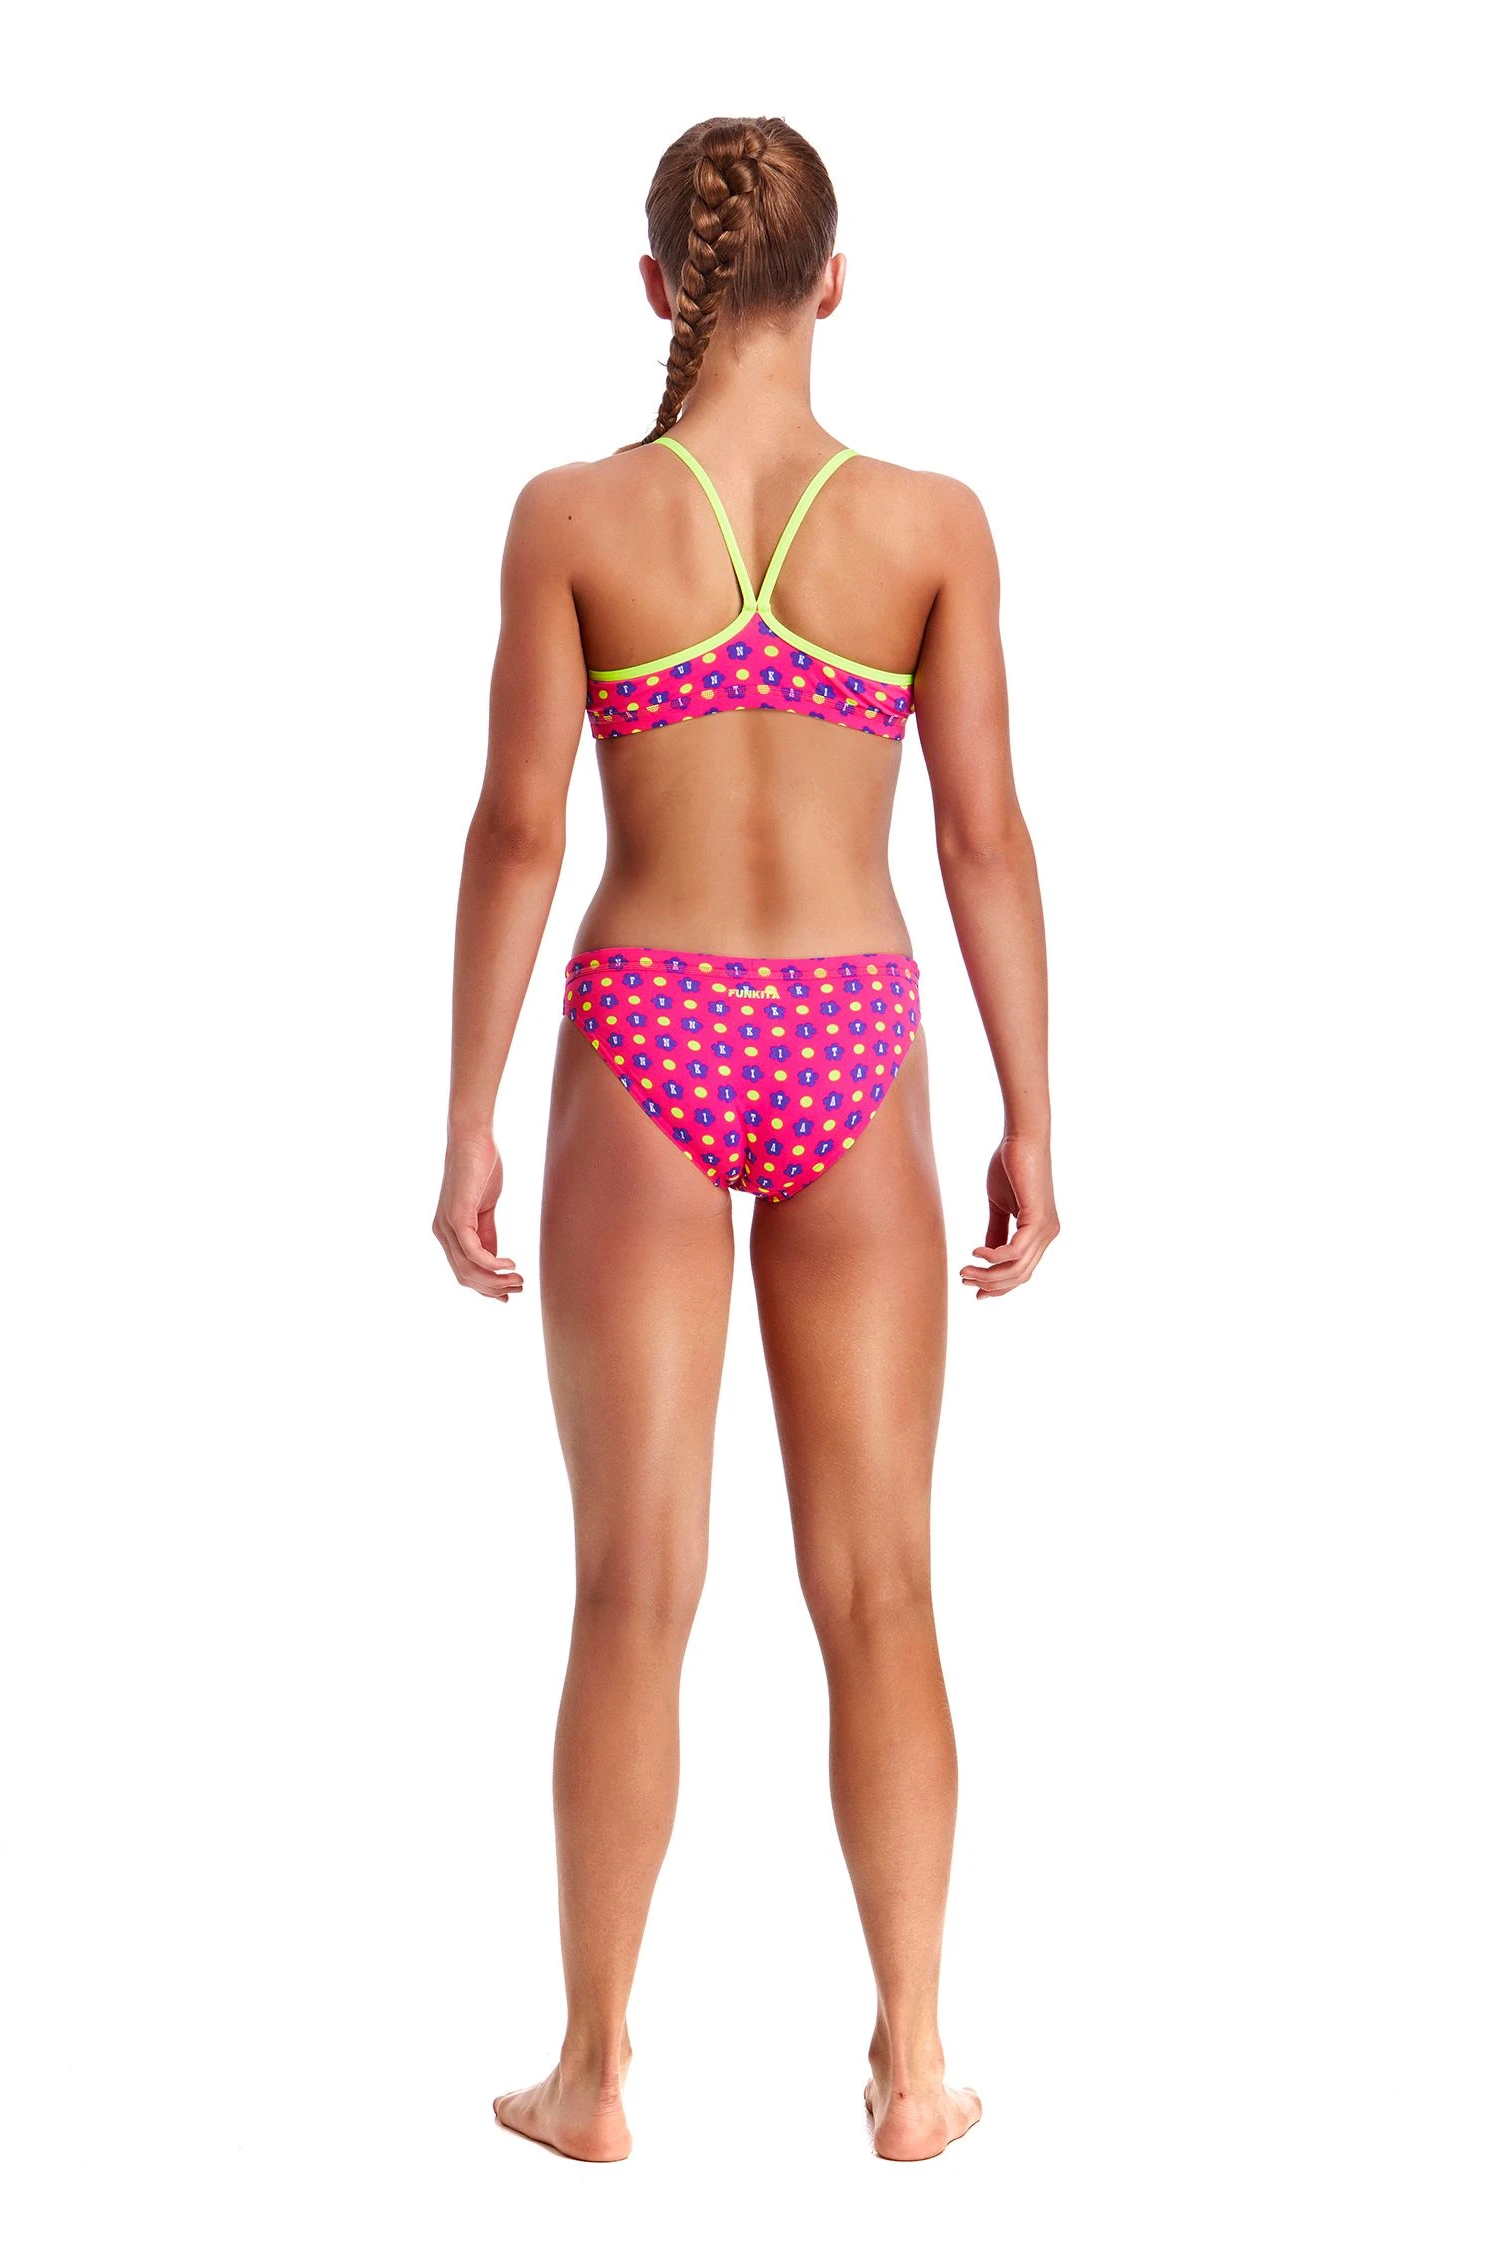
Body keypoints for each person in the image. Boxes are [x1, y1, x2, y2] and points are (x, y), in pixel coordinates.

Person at [433, 114, 1059, 2163]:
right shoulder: (931, 526)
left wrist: (467, 1115)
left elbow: (519, 831)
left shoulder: (577, 518)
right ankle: (919, 2064)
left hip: (644, 1032)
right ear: (837, 285)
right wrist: (1034, 1109)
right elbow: (982, 837)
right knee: (881, 1586)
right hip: (854, 1037)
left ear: (657, 289)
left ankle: (593, 2071)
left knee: (634, 1584)